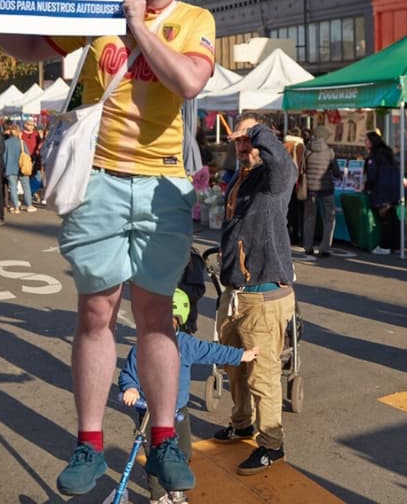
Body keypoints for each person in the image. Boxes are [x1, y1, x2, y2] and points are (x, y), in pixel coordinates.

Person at [0, 0, 215, 497]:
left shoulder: (195, 19)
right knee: (96, 313)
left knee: (157, 317)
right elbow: (30, 46)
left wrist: (139, 26)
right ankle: (89, 444)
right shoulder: (98, 10)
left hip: (162, 185)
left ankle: (163, 440)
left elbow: (188, 82)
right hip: (98, 180)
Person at [213, 112, 296, 475]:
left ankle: (271, 445)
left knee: (262, 375)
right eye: (238, 140)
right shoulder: (242, 176)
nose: (242, 146)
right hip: (235, 292)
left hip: (264, 294)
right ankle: (242, 422)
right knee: (234, 366)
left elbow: (283, 164)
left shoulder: (275, 177)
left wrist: (255, 131)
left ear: (265, 138)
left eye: (248, 140)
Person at [119, 289, 259, 498]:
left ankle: (175, 488)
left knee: (183, 451)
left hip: (178, 411)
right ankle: (158, 496)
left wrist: (240, 355)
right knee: (157, 458)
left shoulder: (185, 344)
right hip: (150, 414)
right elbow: (128, 373)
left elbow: (211, 351)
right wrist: (130, 388)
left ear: (178, 322)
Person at [302, 125, 342, 257]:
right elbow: (336, 171)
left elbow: (303, 169)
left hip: (310, 189)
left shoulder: (307, 151)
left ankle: (308, 246)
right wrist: (339, 175)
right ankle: (324, 248)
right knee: (329, 218)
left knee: (309, 218)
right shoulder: (330, 152)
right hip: (327, 188)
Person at [363, 130, 401, 256]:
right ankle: (396, 245)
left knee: (386, 220)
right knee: (392, 218)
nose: (365, 142)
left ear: (372, 142)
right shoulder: (387, 153)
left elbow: (372, 175)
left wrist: (367, 186)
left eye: (366, 140)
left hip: (382, 191)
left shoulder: (375, 156)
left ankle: (385, 246)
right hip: (393, 189)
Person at [283, 126, 306, 245]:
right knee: (297, 210)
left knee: (287, 210)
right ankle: (296, 235)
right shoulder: (300, 146)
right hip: (296, 182)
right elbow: (302, 165)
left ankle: (288, 234)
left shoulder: (284, 145)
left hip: (284, 181)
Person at [4, 125, 33, 214]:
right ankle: (29, 205)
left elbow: (3, 157)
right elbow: (27, 154)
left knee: (13, 188)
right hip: (22, 167)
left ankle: (16, 207)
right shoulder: (21, 142)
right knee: (26, 187)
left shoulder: (5, 143)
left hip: (10, 168)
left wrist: (4, 168)